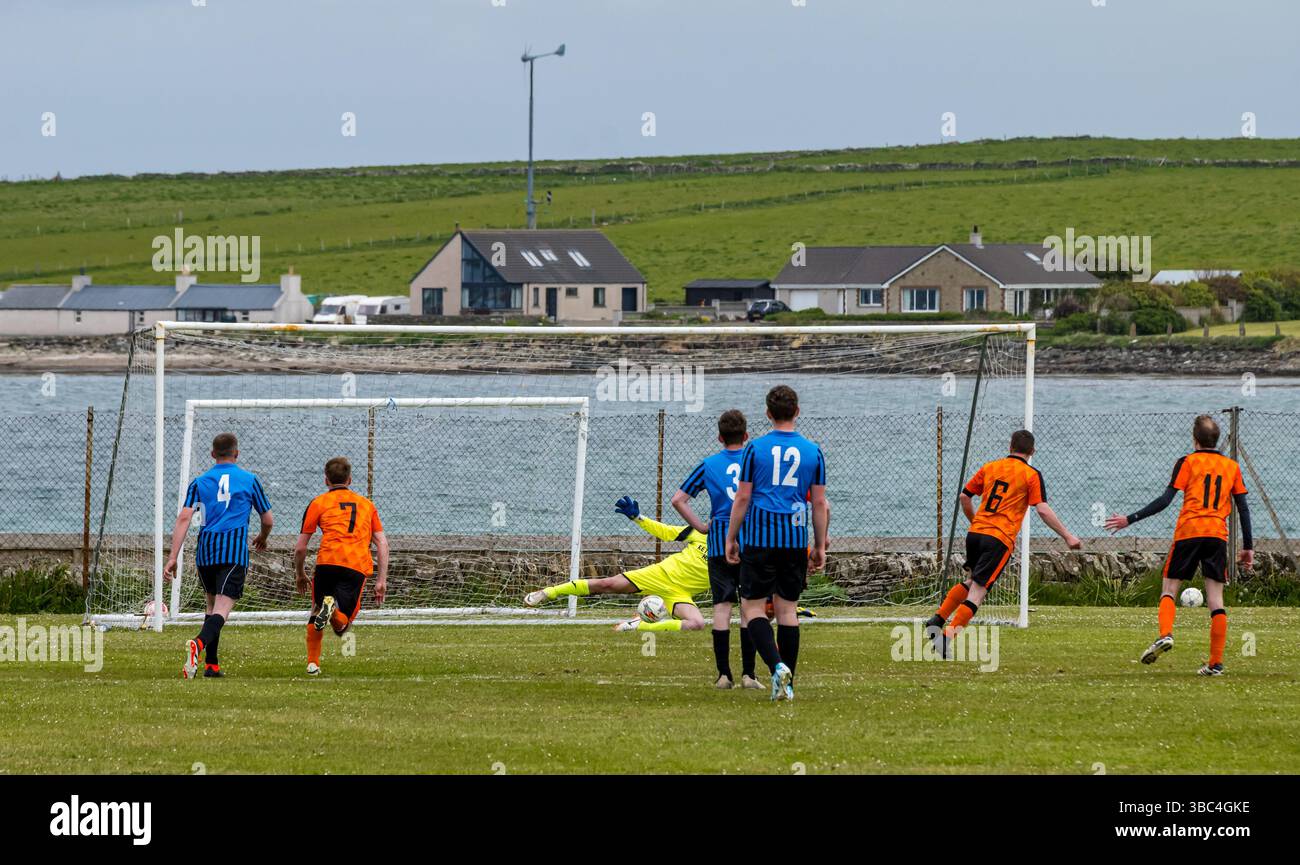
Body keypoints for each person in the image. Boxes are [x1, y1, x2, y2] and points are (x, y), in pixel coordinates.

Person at [1105, 415, 1252, 676]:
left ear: (1195, 439)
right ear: (1216, 440)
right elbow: (1242, 507)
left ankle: (1165, 634)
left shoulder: (1187, 462)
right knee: (1216, 599)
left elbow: (1165, 500)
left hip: (1189, 532)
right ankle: (1215, 663)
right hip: (1217, 535)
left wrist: (1130, 518)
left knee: (1169, 588)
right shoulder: (1231, 466)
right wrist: (1248, 547)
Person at [927, 430, 1079, 656]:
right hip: (998, 539)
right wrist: (1068, 536)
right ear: (1032, 452)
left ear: (1010, 446)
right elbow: (1043, 509)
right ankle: (946, 638)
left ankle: (937, 619)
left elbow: (964, 497)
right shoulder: (1031, 474)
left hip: (975, 533)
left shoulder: (990, 467)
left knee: (971, 582)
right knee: (978, 592)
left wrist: (975, 520)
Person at [725, 385, 828, 702]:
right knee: (788, 611)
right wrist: (819, 545)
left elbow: (743, 497)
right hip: (795, 541)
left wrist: (731, 537)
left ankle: (777, 666)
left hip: (759, 539)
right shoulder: (814, 451)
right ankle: (788, 684)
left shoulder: (754, 449)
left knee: (752, 609)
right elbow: (820, 504)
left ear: (768, 414)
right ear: (797, 411)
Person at [164, 432, 273, 679]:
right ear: (237, 453)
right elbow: (267, 519)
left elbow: (183, 518)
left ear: (213, 454)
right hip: (233, 552)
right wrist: (263, 537)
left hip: (205, 552)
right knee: (223, 609)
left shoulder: (199, 482)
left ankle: (211, 665)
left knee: (211, 604)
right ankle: (198, 644)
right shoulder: (249, 480)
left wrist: (172, 557)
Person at [525, 496, 710, 635]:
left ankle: (639, 625)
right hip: (659, 575)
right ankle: (547, 592)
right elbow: (666, 532)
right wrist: (637, 517)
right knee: (606, 584)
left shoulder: (736, 551)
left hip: (680, 594)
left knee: (697, 624)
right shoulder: (701, 532)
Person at [672, 409, 761, 689]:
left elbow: (678, 500)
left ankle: (724, 675)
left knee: (722, 608)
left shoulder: (709, 464)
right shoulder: (756, 461)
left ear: (720, 437)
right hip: (752, 539)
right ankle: (750, 675)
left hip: (719, 541)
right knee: (750, 608)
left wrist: (699, 526)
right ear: (746, 436)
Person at [294, 456, 389, 676]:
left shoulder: (318, 503)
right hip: (355, 565)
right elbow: (382, 543)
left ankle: (312, 663)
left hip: (327, 562)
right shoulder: (367, 505)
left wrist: (300, 574)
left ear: (326, 480)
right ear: (350, 479)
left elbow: (300, 548)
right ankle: (334, 612)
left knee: (317, 609)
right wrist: (381, 580)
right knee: (342, 626)